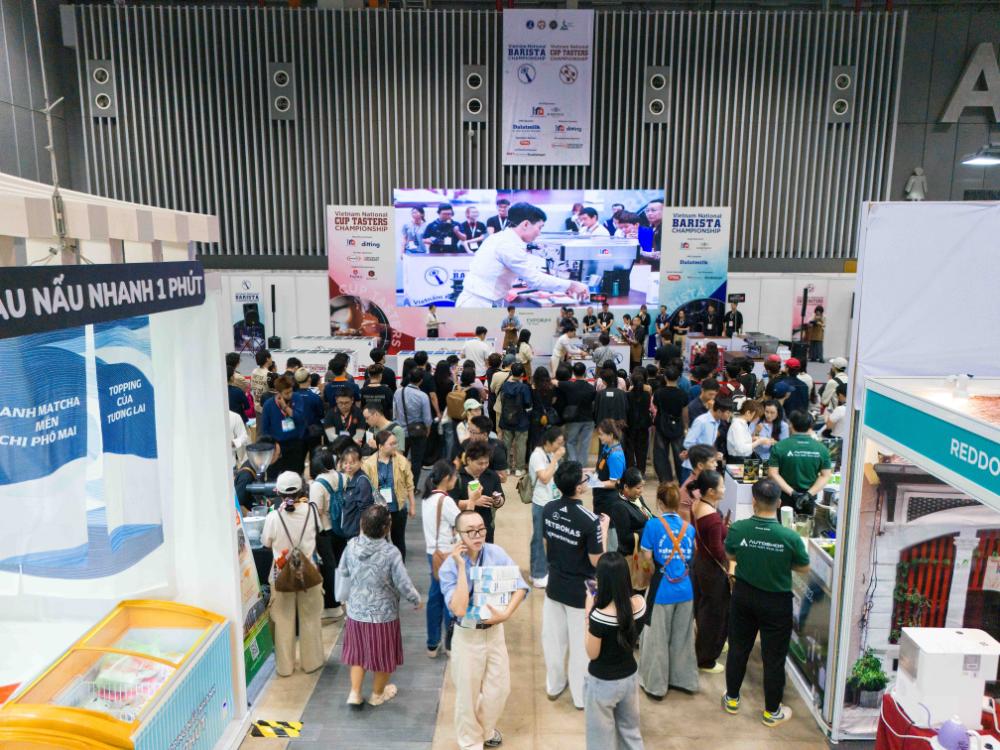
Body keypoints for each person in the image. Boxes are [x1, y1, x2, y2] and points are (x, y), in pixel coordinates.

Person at [439, 510, 529, 750]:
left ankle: (485, 728)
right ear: (458, 534)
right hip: (467, 636)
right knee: (467, 694)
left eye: (481, 529)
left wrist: (506, 614)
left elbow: (520, 586)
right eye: (470, 531)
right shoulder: (448, 568)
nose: (478, 535)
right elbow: (459, 608)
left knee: (500, 689)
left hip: (495, 632)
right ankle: (470, 740)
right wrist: (461, 567)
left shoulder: (495, 553)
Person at [722, 479, 809, 727]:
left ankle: (732, 698)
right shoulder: (790, 536)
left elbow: (730, 555)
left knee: (738, 648)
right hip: (776, 602)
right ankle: (772, 712)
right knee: (774, 658)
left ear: (753, 501)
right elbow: (803, 567)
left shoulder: (739, 529)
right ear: (779, 503)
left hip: (743, 596)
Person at [338, 504, 422, 708]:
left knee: (358, 655)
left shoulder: (351, 546)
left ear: (361, 524)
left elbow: (343, 572)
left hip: (356, 612)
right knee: (383, 657)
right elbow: (403, 583)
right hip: (383, 616)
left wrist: (344, 597)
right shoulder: (391, 553)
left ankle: (355, 693)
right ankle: (377, 694)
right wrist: (416, 599)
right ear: (387, 528)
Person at [542, 461, 610, 710]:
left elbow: (547, 544)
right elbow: (597, 561)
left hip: (554, 585)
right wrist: (603, 530)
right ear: (579, 488)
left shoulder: (548, 509)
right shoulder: (590, 521)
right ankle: (580, 697)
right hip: (581, 593)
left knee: (553, 641)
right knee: (581, 647)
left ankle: (554, 685)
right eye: (584, 478)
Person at [456, 202, 588, 307]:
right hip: (478, 305)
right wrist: (573, 285)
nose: (539, 233)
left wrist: (510, 294)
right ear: (525, 224)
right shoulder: (508, 244)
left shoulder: (502, 238)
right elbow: (535, 279)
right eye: (539, 227)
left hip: (480, 301)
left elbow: (492, 273)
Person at [637, 482, 698, 700]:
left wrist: (650, 571)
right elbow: (692, 557)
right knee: (683, 638)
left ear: (660, 503)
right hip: (686, 590)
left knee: (656, 640)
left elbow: (646, 559)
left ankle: (656, 686)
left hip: (661, 590)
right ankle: (684, 681)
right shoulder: (689, 528)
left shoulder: (652, 526)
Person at [262, 471, 324, 677]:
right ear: (302, 490)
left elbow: (266, 543)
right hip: (309, 573)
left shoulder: (273, 517)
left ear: (278, 493)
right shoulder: (312, 511)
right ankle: (312, 663)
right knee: (310, 619)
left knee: (283, 622)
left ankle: (285, 667)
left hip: (281, 576)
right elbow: (319, 532)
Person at [584, 552, 647, 750]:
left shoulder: (599, 616)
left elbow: (592, 653)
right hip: (629, 677)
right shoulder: (639, 604)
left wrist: (587, 615)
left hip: (603, 682)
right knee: (631, 733)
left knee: (600, 740)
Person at [690, 470, 730, 674]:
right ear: (712, 491)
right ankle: (706, 658)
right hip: (712, 570)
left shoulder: (697, 504)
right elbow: (717, 550)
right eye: (722, 486)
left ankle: (709, 644)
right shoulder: (713, 519)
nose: (724, 489)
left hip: (700, 563)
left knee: (703, 608)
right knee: (714, 613)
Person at [422, 461, 462, 657]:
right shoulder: (446, 501)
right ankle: (450, 644)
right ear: (447, 478)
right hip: (448, 554)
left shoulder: (427, 498)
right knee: (449, 597)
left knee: (435, 596)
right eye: (454, 476)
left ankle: (432, 642)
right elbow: (462, 522)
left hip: (433, 553)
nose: (456, 479)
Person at [362, 430, 416, 560]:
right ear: (380, 446)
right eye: (391, 444)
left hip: (398, 507)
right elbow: (366, 488)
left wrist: (412, 506)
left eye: (395, 443)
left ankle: (400, 566)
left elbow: (410, 485)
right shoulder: (368, 464)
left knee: (399, 540)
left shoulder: (402, 461)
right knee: (380, 541)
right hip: (379, 509)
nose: (395, 446)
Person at [767, 410, 832, 513]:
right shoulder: (821, 449)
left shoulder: (779, 447)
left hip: (785, 496)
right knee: (807, 522)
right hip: (809, 498)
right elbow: (826, 475)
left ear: (791, 425)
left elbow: (772, 474)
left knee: (784, 522)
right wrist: (808, 494)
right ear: (810, 426)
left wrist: (793, 493)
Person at [309, 449, 347, 621]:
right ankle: (343, 599)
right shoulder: (342, 477)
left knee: (328, 569)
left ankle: (332, 607)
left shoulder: (318, 484)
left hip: (326, 530)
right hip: (342, 527)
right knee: (340, 566)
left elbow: (316, 511)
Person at [528, 426, 566, 587]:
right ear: (548, 442)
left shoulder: (550, 453)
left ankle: (538, 570)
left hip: (553, 500)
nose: (560, 446)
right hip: (541, 502)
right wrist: (556, 458)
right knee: (539, 538)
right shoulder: (537, 455)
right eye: (558, 442)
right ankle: (538, 574)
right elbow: (544, 478)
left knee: (549, 538)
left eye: (562, 442)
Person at [451, 441, 504, 544]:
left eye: (486, 463)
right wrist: (473, 501)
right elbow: (452, 502)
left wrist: (498, 500)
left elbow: (501, 499)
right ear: (469, 460)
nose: (483, 467)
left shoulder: (492, 476)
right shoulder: (457, 477)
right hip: (463, 529)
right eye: (480, 463)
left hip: (485, 528)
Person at [258, 375, 306, 478]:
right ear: (278, 392)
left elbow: (300, 418)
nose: (290, 395)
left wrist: (285, 407)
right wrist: (272, 446)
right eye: (286, 393)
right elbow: (264, 429)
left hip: (295, 444)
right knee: (275, 476)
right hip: (277, 446)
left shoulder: (297, 398)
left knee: (295, 475)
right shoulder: (268, 405)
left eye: (291, 391)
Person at [683, 396, 734, 480]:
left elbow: (707, 443)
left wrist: (714, 453)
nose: (730, 415)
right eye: (728, 412)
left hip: (705, 466)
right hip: (693, 467)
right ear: (719, 411)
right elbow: (688, 443)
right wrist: (707, 454)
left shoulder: (717, 421)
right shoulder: (701, 421)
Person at [607, 467, 653, 559]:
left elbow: (648, 515)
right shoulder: (619, 507)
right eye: (638, 487)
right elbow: (625, 538)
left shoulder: (636, 497)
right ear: (626, 487)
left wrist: (661, 522)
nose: (642, 490)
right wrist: (650, 528)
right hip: (632, 555)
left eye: (642, 486)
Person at [653, 364, 687, 483]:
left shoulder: (658, 393)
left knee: (661, 454)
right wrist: (686, 427)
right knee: (679, 454)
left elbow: (656, 406)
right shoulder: (682, 394)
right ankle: (682, 480)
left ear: (665, 377)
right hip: (678, 426)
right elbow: (685, 412)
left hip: (661, 425)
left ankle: (665, 480)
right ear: (678, 378)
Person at [394, 368, 432, 474]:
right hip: (418, 432)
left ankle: (399, 482)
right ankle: (413, 484)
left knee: (398, 460)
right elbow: (427, 419)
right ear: (421, 380)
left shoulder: (398, 392)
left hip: (400, 431)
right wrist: (427, 432)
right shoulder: (423, 396)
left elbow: (394, 413)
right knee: (416, 461)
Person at [560, 361, 597, 465]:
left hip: (573, 419)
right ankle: (582, 466)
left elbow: (556, 382)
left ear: (573, 373)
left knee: (571, 442)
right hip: (588, 419)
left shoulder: (569, 386)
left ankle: (573, 464)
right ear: (585, 372)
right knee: (585, 444)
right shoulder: (591, 388)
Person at [498, 362, 532, 475]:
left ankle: (506, 468)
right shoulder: (524, 387)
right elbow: (527, 403)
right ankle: (519, 468)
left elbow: (502, 400)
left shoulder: (505, 385)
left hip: (506, 418)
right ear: (522, 374)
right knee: (521, 445)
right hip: (521, 420)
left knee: (506, 444)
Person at [591, 418, 627, 517]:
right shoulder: (607, 447)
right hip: (600, 496)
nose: (599, 437)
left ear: (611, 435)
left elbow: (615, 483)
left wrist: (595, 483)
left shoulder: (615, 456)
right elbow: (602, 468)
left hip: (609, 500)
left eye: (601, 434)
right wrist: (588, 471)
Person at [678, 444, 720, 522]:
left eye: (716, 461)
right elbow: (687, 526)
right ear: (700, 465)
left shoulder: (707, 482)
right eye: (712, 462)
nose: (716, 465)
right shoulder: (687, 492)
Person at [624, 369, 652, 475]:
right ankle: (641, 472)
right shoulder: (647, 395)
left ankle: (631, 472)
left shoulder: (628, 395)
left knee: (630, 450)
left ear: (632, 382)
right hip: (643, 425)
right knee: (642, 450)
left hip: (630, 425)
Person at [250, 349, 273, 413]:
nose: (272, 359)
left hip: (256, 406)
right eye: (271, 357)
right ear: (267, 359)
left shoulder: (254, 371)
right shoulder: (269, 374)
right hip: (266, 408)